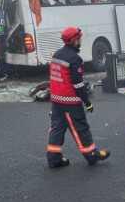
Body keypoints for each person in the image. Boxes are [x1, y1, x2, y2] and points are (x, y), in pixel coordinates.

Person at [46, 26, 110, 168]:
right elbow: (78, 84)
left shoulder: (56, 54)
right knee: (81, 128)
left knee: (57, 127)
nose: (80, 41)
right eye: (79, 39)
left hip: (56, 99)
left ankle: (54, 158)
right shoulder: (75, 59)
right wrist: (87, 102)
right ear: (74, 40)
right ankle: (91, 155)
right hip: (70, 101)